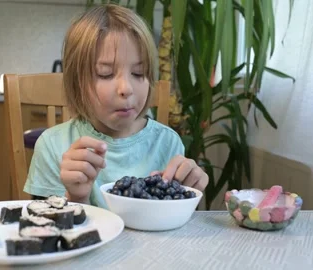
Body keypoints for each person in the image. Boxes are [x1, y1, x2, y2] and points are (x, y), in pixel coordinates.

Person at [24, 4, 209, 208]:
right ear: (77, 82)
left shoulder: (168, 143)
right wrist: (76, 198)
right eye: (106, 74)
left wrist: (188, 194)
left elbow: (174, 227)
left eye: (139, 73)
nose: (126, 88)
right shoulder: (52, 146)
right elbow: (45, 228)